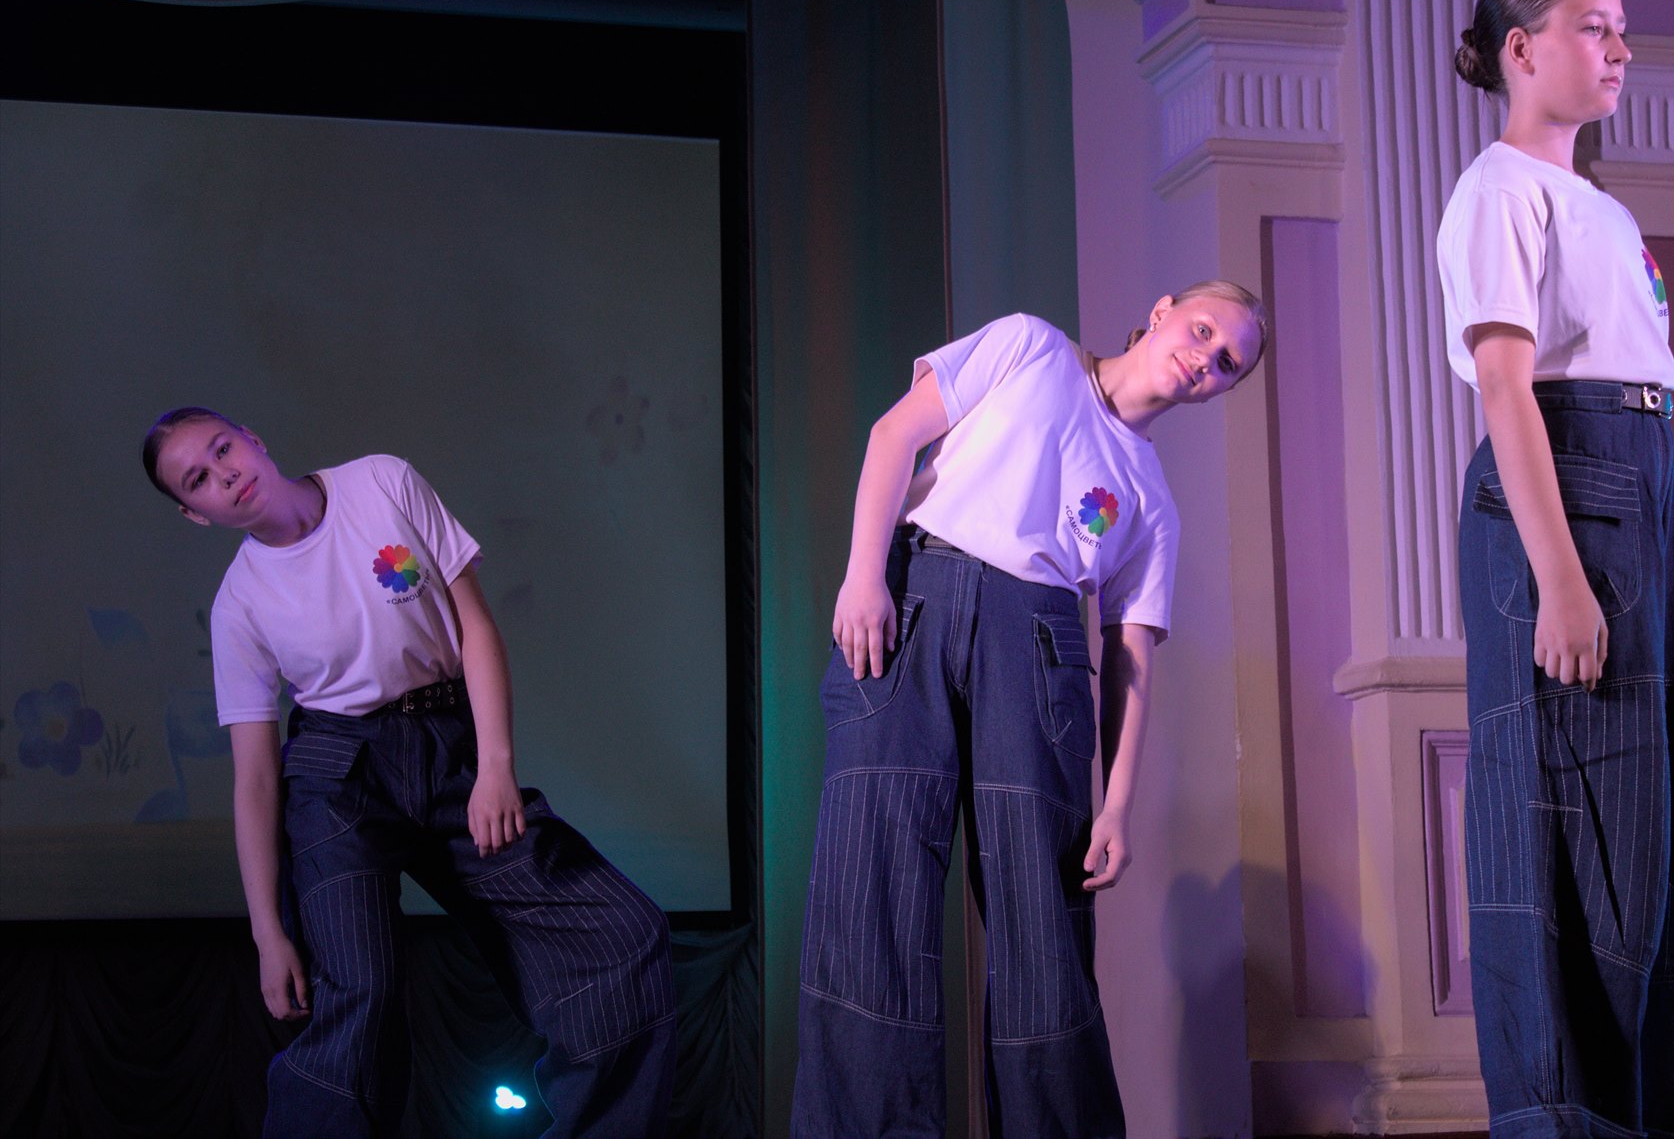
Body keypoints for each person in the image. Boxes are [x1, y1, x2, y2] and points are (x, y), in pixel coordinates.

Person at [790, 285, 1268, 1139]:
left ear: (1224, 387)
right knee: (870, 899)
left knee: (1042, 935)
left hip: (1039, 648)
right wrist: (864, 574)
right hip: (917, 598)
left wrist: (1116, 803)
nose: (1206, 356)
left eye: (1227, 360)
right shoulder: (1031, 346)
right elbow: (895, 434)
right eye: (1202, 330)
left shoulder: (1150, 500)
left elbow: (1131, 658)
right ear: (1162, 312)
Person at [141, 409, 676, 1139]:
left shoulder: (380, 483)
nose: (225, 474)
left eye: (223, 448)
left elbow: (475, 627)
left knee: (624, 934)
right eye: (199, 479)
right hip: (338, 776)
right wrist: (268, 932)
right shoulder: (240, 602)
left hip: (452, 748)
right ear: (194, 513)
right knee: (361, 995)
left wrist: (495, 766)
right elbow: (256, 780)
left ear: (254, 440)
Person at [1438, 0, 1674, 1138]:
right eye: (1596, 27)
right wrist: (1558, 574)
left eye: (1622, 29)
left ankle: (1644, 1108)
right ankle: (1567, 1117)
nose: (1620, 50)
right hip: (1568, 483)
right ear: (1522, 49)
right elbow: (1506, 383)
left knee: (1655, 825)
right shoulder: (1498, 189)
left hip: (1635, 482)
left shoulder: (1603, 206)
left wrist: (1668, 516)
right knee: (1571, 812)